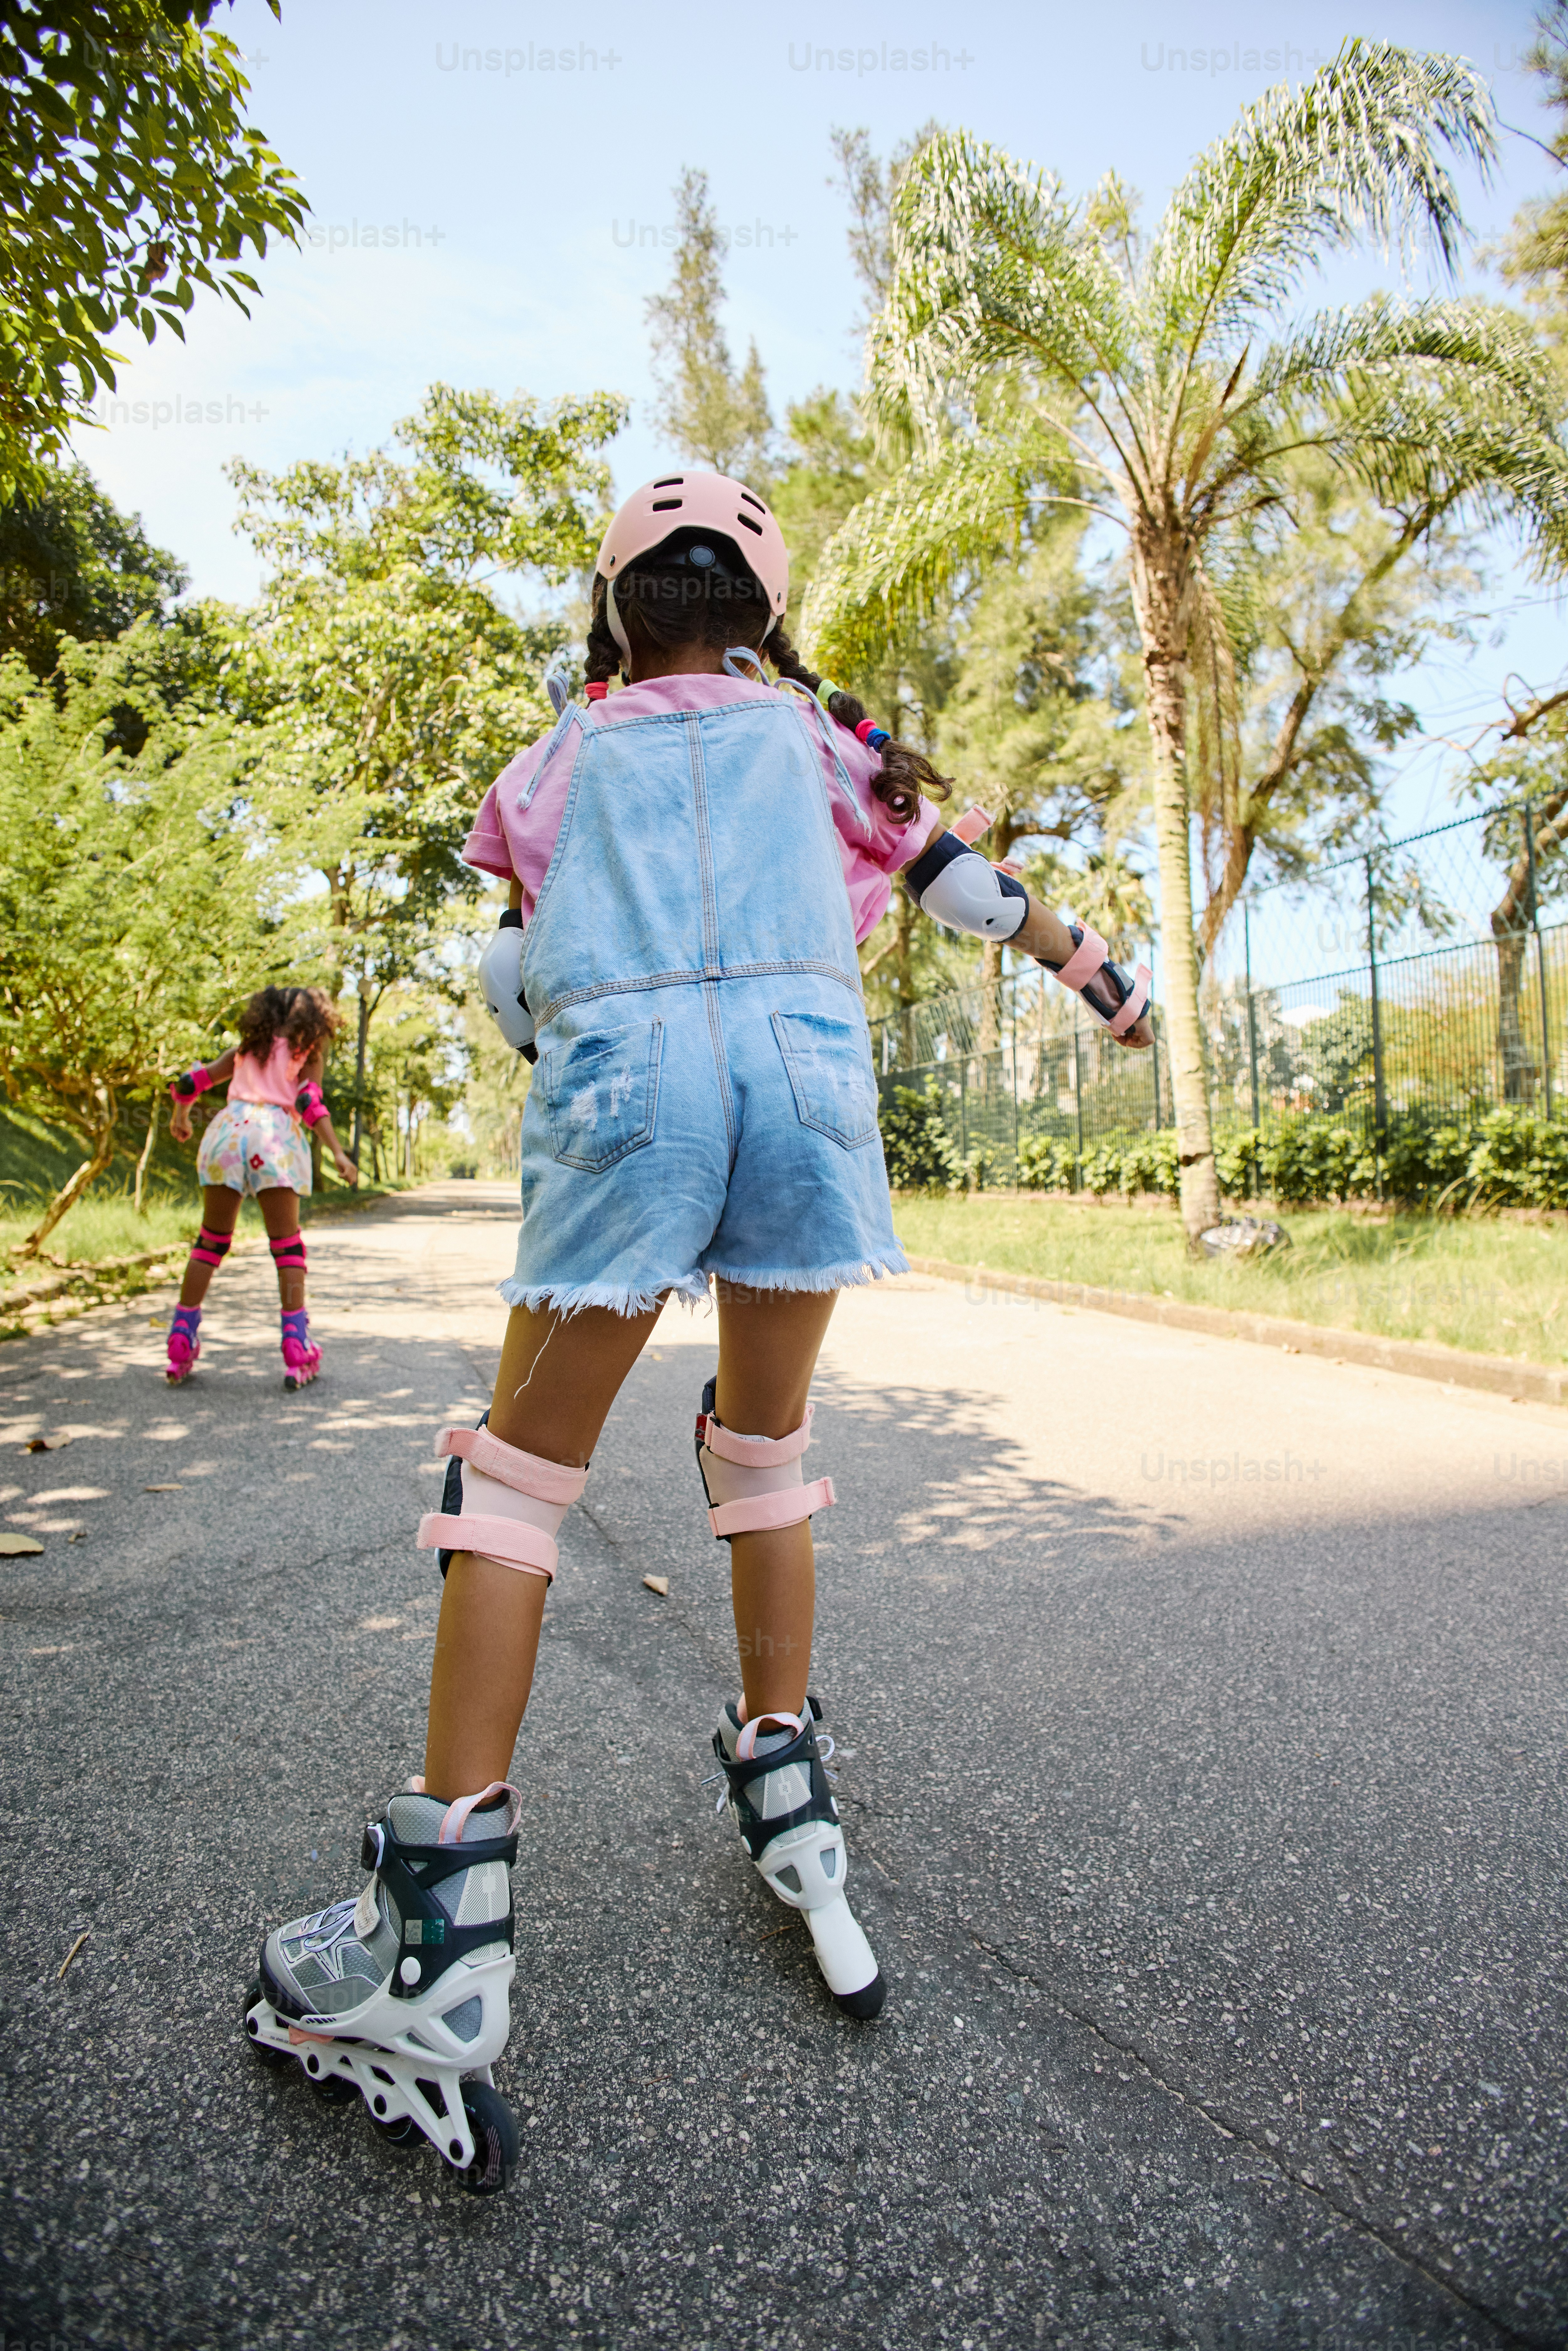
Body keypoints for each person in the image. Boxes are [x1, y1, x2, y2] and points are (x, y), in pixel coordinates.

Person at [243, 474, 1154, 2193]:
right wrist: (1106, 984)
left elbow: (514, 971)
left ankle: (436, 1950)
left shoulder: (558, 762)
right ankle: (787, 1781)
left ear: (615, 617)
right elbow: (972, 892)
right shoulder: (825, 751)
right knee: (760, 1452)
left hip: (626, 1093)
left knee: (513, 1482)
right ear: (760, 616)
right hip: (806, 1087)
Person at [165, 985, 358, 1389]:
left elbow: (190, 1081)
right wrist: (339, 1153)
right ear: (315, 1022)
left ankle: (181, 1339)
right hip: (274, 1139)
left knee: (211, 1241)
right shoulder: (308, 1051)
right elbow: (309, 1103)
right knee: (287, 1247)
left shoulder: (246, 1049)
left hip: (227, 1135)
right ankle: (295, 1345)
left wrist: (181, 1117)